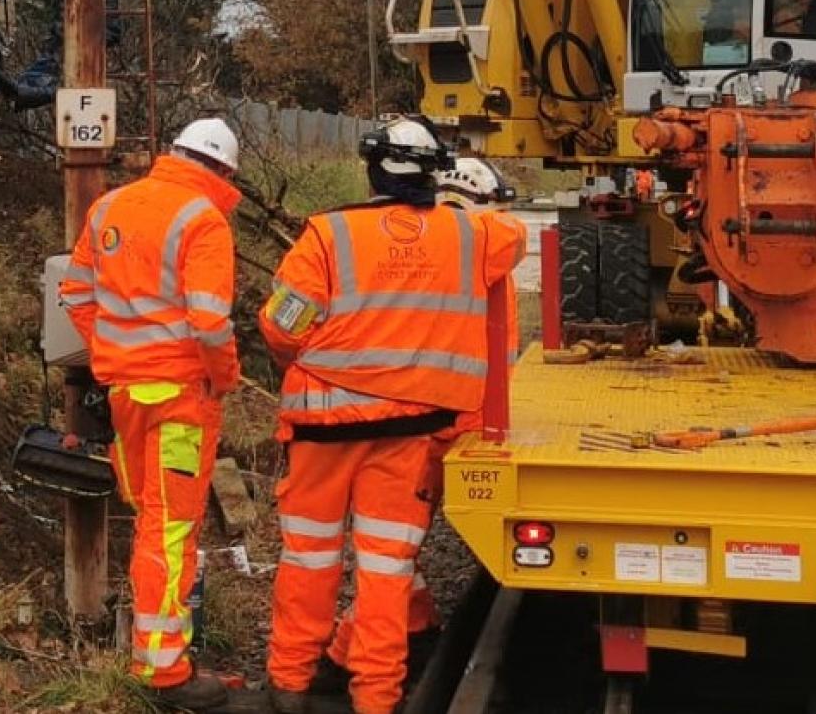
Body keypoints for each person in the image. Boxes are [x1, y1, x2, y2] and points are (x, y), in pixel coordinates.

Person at [261, 122, 523, 714]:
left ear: (372, 169)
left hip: (321, 429)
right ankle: (377, 697)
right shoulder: (473, 235)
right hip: (407, 432)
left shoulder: (328, 236)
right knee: (386, 567)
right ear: (435, 174)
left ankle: (289, 684)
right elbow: (511, 232)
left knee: (309, 556)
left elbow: (282, 325)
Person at [56, 118, 243, 711]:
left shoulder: (111, 205)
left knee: (151, 524)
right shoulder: (204, 221)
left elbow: (77, 294)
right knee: (170, 529)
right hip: (179, 401)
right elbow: (211, 323)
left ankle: (161, 651)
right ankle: (163, 671)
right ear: (223, 173)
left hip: (125, 397)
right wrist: (225, 377)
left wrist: (115, 351)